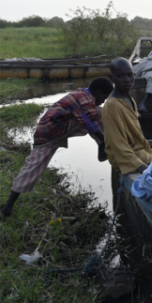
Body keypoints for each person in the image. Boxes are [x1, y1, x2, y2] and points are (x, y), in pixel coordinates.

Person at [1, 78, 113, 219]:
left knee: (99, 112)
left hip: (55, 130)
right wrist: (104, 139)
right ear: (98, 92)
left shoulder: (82, 94)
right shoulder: (84, 99)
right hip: (48, 134)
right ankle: (7, 208)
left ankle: (101, 148)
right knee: (33, 167)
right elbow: (90, 123)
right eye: (105, 97)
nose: (104, 101)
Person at [104, 58, 152, 175]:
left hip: (140, 150)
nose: (127, 80)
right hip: (127, 158)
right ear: (111, 78)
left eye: (130, 75)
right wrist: (141, 167)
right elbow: (117, 142)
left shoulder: (130, 99)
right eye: (120, 76)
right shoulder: (112, 105)